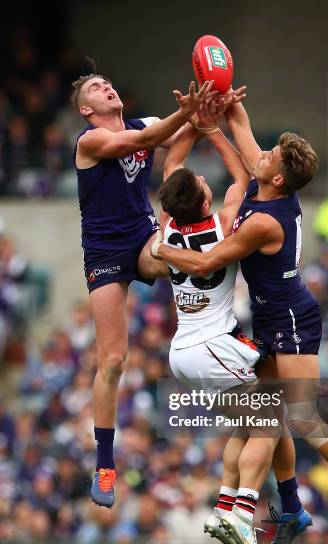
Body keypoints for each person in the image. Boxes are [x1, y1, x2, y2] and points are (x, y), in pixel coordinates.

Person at [152, 100, 328, 544]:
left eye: (270, 157)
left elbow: (205, 261)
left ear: (278, 177)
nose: (261, 154)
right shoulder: (264, 185)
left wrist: (163, 252)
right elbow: (241, 130)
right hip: (265, 317)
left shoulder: (264, 220)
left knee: (302, 418)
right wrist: (225, 105)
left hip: (292, 317)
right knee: (268, 415)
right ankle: (290, 510)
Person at [71, 71, 214, 508]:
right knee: (113, 359)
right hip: (103, 250)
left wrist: (209, 109)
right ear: (86, 109)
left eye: (108, 83)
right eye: (95, 88)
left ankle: (223, 272)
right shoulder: (89, 141)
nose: (107, 87)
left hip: (141, 234)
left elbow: (180, 134)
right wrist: (184, 116)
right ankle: (105, 463)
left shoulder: (143, 124)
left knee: (171, 253)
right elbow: (143, 142)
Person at [157, 98, 286, 544]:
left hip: (183, 350)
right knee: (272, 418)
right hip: (212, 347)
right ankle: (243, 512)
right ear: (204, 200)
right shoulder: (224, 222)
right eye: (201, 181)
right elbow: (243, 180)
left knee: (245, 424)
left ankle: (224, 508)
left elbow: (172, 166)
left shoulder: (168, 228)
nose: (204, 178)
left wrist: (191, 122)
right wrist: (211, 129)